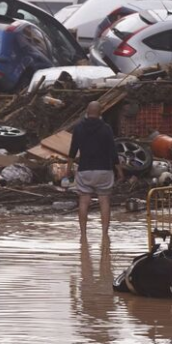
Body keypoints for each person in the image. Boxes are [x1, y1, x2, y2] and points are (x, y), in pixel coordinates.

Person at [67, 101, 123, 245]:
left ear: (87, 111)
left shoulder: (79, 128)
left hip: (85, 170)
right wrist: (119, 171)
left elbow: (72, 151)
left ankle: (83, 235)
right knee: (104, 201)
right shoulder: (106, 128)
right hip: (104, 170)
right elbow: (113, 151)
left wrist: (68, 169)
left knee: (84, 201)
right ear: (100, 112)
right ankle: (104, 235)